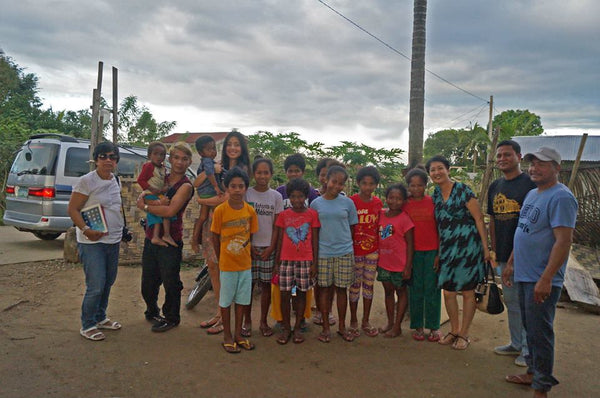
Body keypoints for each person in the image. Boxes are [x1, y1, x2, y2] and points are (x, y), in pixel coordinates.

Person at [503, 147, 577, 398]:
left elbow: (563, 241)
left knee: (540, 332)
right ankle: (532, 374)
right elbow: (523, 231)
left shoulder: (561, 197)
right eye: (533, 163)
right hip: (524, 274)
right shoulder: (533, 194)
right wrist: (512, 262)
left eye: (542, 164)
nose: (535, 168)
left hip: (541, 278)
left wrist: (546, 278)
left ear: (557, 168)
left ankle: (541, 388)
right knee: (529, 328)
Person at [427, 155, 489, 350]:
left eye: (440, 168)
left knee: (468, 291)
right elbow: (437, 225)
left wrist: (486, 249)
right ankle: (453, 330)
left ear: (448, 169)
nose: (436, 172)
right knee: (448, 292)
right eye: (432, 170)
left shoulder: (462, 190)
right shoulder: (435, 194)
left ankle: (464, 334)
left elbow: (479, 219)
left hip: (468, 247)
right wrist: (438, 252)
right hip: (447, 249)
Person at [194, 131, 251, 334]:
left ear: (242, 148)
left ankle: (227, 318)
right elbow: (197, 182)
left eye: (237, 144)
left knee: (226, 269)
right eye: (230, 144)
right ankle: (220, 313)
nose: (233, 148)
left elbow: (225, 198)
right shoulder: (217, 164)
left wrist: (201, 201)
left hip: (232, 224)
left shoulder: (242, 169)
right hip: (213, 221)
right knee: (213, 266)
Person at [68, 141, 124, 341]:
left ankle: (100, 317)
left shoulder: (115, 180)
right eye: (104, 156)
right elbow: (73, 209)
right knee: (96, 284)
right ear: (96, 159)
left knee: (108, 282)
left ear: (117, 161)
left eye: (112, 157)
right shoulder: (86, 181)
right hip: (91, 242)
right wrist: (86, 229)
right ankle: (88, 324)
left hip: (113, 239)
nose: (108, 160)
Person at [137, 142, 194, 332]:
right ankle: (152, 310)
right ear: (169, 159)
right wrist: (150, 202)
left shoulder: (185, 186)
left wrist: (145, 207)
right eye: (176, 157)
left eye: (184, 159)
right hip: (151, 235)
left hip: (171, 239)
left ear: (189, 162)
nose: (179, 162)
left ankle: (171, 317)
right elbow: (145, 194)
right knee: (148, 282)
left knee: (171, 282)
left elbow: (170, 210)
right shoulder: (162, 177)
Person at [488, 140, 536, 366]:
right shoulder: (495, 186)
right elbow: (493, 221)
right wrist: (496, 251)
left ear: (519, 156)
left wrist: (515, 258)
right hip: (503, 255)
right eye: (499, 156)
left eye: (507, 155)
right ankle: (516, 343)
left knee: (527, 304)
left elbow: (532, 225)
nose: (502, 159)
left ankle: (528, 351)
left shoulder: (530, 184)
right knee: (512, 302)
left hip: (525, 256)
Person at [211, 167, 259, 353]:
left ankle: (238, 335)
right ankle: (227, 336)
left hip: (245, 265)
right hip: (227, 265)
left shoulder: (250, 211)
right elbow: (215, 236)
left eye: (241, 186)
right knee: (225, 301)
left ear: (246, 188)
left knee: (242, 301)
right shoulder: (220, 210)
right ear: (226, 188)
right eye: (233, 186)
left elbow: (251, 237)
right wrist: (220, 256)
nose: (237, 189)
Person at [310, 165, 358, 343]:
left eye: (341, 183)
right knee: (324, 290)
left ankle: (342, 327)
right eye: (334, 181)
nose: (337, 186)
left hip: (344, 253)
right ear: (326, 180)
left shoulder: (348, 203)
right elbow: (314, 232)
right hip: (323, 253)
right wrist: (314, 258)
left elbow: (352, 227)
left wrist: (344, 244)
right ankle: (325, 328)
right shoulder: (316, 204)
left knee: (341, 291)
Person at [271, 153, 319, 330]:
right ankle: (282, 320)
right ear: (285, 172)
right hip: (285, 253)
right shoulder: (279, 193)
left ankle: (301, 320)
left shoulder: (312, 193)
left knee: (302, 291)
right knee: (282, 290)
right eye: (290, 171)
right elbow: (278, 225)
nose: (293, 174)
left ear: (303, 172)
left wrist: (314, 259)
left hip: (304, 255)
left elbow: (314, 226)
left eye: (297, 171)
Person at [242, 157, 283, 338]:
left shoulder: (276, 196)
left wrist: (272, 247)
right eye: (259, 172)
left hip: (268, 248)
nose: (262, 176)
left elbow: (277, 226)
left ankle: (263, 321)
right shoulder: (246, 194)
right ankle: (247, 321)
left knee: (266, 287)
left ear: (271, 175)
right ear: (253, 174)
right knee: (247, 287)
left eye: (266, 173)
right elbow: (243, 223)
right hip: (248, 248)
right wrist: (248, 244)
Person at [404, 167, 441, 342]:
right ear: (408, 186)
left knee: (432, 289)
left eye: (420, 185)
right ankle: (418, 326)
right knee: (415, 289)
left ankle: (434, 326)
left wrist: (439, 253)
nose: (416, 188)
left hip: (432, 251)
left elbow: (441, 229)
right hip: (413, 253)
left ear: (426, 186)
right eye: (412, 185)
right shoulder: (404, 204)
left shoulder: (433, 202)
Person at [348, 166, 383, 337]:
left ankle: (365, 321)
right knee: (354, 286)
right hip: (355, 251)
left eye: (371, 184)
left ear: (376, 185)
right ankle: (353, 320)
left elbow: (380, 228)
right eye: (364, 183)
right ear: (358, 183)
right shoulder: (351, 201)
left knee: (368, 286)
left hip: (372, 251)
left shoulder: (378, 203)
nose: (367, 187)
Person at [377, 183, 414, 338]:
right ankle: (390, 322)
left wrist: (408, 266)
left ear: (404, 201)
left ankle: (397, 326)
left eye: (399, 198)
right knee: (388, 292)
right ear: (386, 199)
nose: (394, 201)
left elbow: (410, 244)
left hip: (400, 264)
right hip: (384, 263)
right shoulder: (381, 215)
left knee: (401, 292)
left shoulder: (405, 219)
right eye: (391, 197)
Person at [312, 157, 344, 327]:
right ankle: (318, 308)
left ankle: (328, 310)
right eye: (323, 175)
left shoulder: (343, 197)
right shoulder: (313, 196)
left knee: (331, 284)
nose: (325, 179)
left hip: (336, 247)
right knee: (318, 281)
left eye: (328, 175)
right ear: (319, 176)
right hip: (318, 246)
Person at [136, 142, 176, 247]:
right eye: (156, 154)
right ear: (149, 155)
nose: (159, 157)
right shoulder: (149, 166)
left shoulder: (163, 168)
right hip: (150, 194)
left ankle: (166, 234)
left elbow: (163, 180)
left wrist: (165, 187)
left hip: (158, 194)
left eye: (162, 154)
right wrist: (152, 188)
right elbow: (141, 180)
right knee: (159, 212)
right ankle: (156, 236)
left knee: (167, 210)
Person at [191, 136, 223, 247]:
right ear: (201, 152)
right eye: (209, 149)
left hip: (204, 192)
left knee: (203, 216)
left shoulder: (209, 161)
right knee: (214, 214)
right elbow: (210, 173)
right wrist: (216, 187)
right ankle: (207, 238)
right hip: (208, 191)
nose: (213, 151)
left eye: (214, 148)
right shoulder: (208, 161)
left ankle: (195, 238)